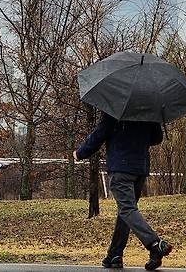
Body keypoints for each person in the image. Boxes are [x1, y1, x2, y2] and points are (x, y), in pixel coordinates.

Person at [74, 113, 172, 270]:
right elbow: (156, 138)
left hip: (120, 168)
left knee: (127, 210)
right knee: (126, 213)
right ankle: (115, 254)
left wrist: (80, 153)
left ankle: (155, 243)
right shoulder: (148, 107)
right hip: (140, 168)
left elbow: (99, 134)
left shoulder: (114, 107)